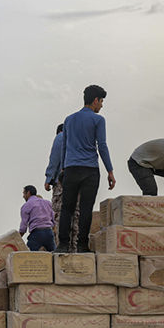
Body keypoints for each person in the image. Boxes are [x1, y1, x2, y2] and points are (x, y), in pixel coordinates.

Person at [57, 84, 115, 253]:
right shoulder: (98, 120)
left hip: (71, 168)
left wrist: (63, 169)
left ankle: (62, 244)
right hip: (90, 170)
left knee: (66, 208)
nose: (102, 105)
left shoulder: (69, 119)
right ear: (95, 100)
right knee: (85, 208)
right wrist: (110, 170)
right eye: (102, 101)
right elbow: (102, 146)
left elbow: (64, 147)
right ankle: (82, 245)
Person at [43, 123, 77, 250]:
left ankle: (61, 247)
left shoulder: (61, 136)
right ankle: (74, 248)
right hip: (78, 181)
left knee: (59, 215)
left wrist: (49, 177)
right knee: (75, 216)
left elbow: (55, 158)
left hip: (62, 182)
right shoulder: (78, 138)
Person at [20, 185, 56, 252]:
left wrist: (17, 237)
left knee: (28, 256)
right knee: (54, 256)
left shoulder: (26, 205)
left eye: (24, 193)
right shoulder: (48, 203)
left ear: (28, 193)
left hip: (36, 234)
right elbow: (54, 220)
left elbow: (23, 227)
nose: (23, 196)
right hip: (49, 232)